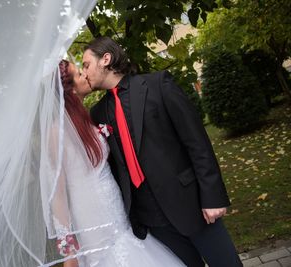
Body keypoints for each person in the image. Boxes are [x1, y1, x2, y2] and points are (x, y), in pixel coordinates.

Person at [81, 37, 243, 267]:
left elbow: (196, 142)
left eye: (86, 64)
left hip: (192, 205)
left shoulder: (158, 84)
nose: (84, 72)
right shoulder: (98, 114)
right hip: (151, 220)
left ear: (105, 59)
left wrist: (213, 197)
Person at [55, 59, 185, 267]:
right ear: (69, 91)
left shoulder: (86, 117)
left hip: (114, 205)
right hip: (92, 214)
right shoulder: (56, 132)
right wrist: (68, 248)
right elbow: (57, 194)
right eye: (79, 74)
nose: (85, 75)